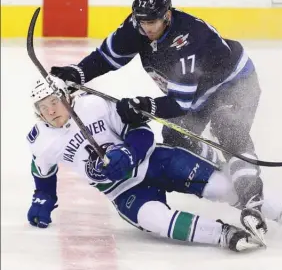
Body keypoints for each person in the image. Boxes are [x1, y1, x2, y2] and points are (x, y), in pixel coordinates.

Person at [49, 0, 282, 230]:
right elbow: (106, 58)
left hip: (233, 83)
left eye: (152, 22)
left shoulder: (187, 40)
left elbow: (179, 104)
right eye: (141, 22)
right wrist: (78, 73)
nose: (146, 28)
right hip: (197, 96)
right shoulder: (137, 26)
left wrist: (145, 105)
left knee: (227, 127)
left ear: (167, 15)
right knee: (175, 136)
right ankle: (224, 169)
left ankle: (253, 197)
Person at [27, 76, 266, 252]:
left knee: (222, 188)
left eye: (53, 102)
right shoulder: (42, 142)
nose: (50, 111)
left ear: (66, 96)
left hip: (154, 160)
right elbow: (42, 172)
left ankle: (276, 211)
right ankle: (224, 235)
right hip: (123, 190)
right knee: (156, 220)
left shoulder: (93, 106)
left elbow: (140, 129)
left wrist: (130, 153)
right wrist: (43, 197)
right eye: (43, 108)